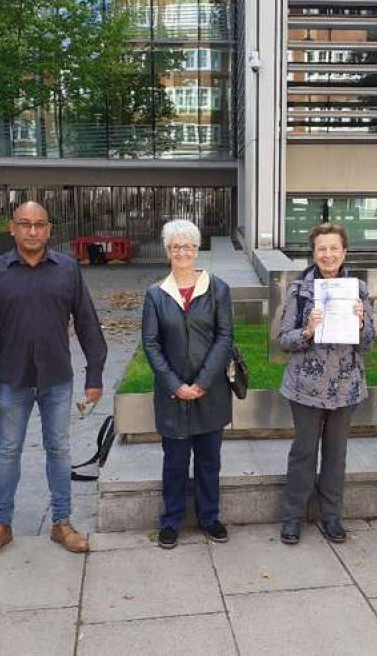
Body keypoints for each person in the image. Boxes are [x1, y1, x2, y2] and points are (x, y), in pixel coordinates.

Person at [0, 201, 107, 558]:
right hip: (11, 381)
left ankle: (62, 522)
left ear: (49, 229)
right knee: (7, 452)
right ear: (12, 228)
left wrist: (95, 373)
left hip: (57, 380)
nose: (32, 231)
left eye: (39, 224)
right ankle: (1, 525)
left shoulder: (68, 270)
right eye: (25, 224)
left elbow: (88, 322)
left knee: (59, 450)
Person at [277, 223, 375, 545]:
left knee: (336, 455)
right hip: (306, 387)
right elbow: (283, 340)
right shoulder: (299, 290)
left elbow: (369, 343)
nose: (328, 254)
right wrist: (306, 331)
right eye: (322, 249)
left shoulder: (358, 289)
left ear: (344, 252)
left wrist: (361, 323)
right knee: (304, 452)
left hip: (346, 388)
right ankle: (292, 518)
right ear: (314, 253)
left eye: (334, 248)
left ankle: (331, 517)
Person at [141, 220, 233, 549]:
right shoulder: (155, 294)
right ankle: (172, 520)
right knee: (175, 461)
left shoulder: (217, 288)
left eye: (188, 246)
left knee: (210, 460)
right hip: (172, 395)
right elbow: (150, 344)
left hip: (211, 391)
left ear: (197, 250)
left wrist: (203, 381)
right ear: (168, 251)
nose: (182, 252)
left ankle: (210, 517)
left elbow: (225, 337)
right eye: (176, 246)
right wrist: (176, 385)